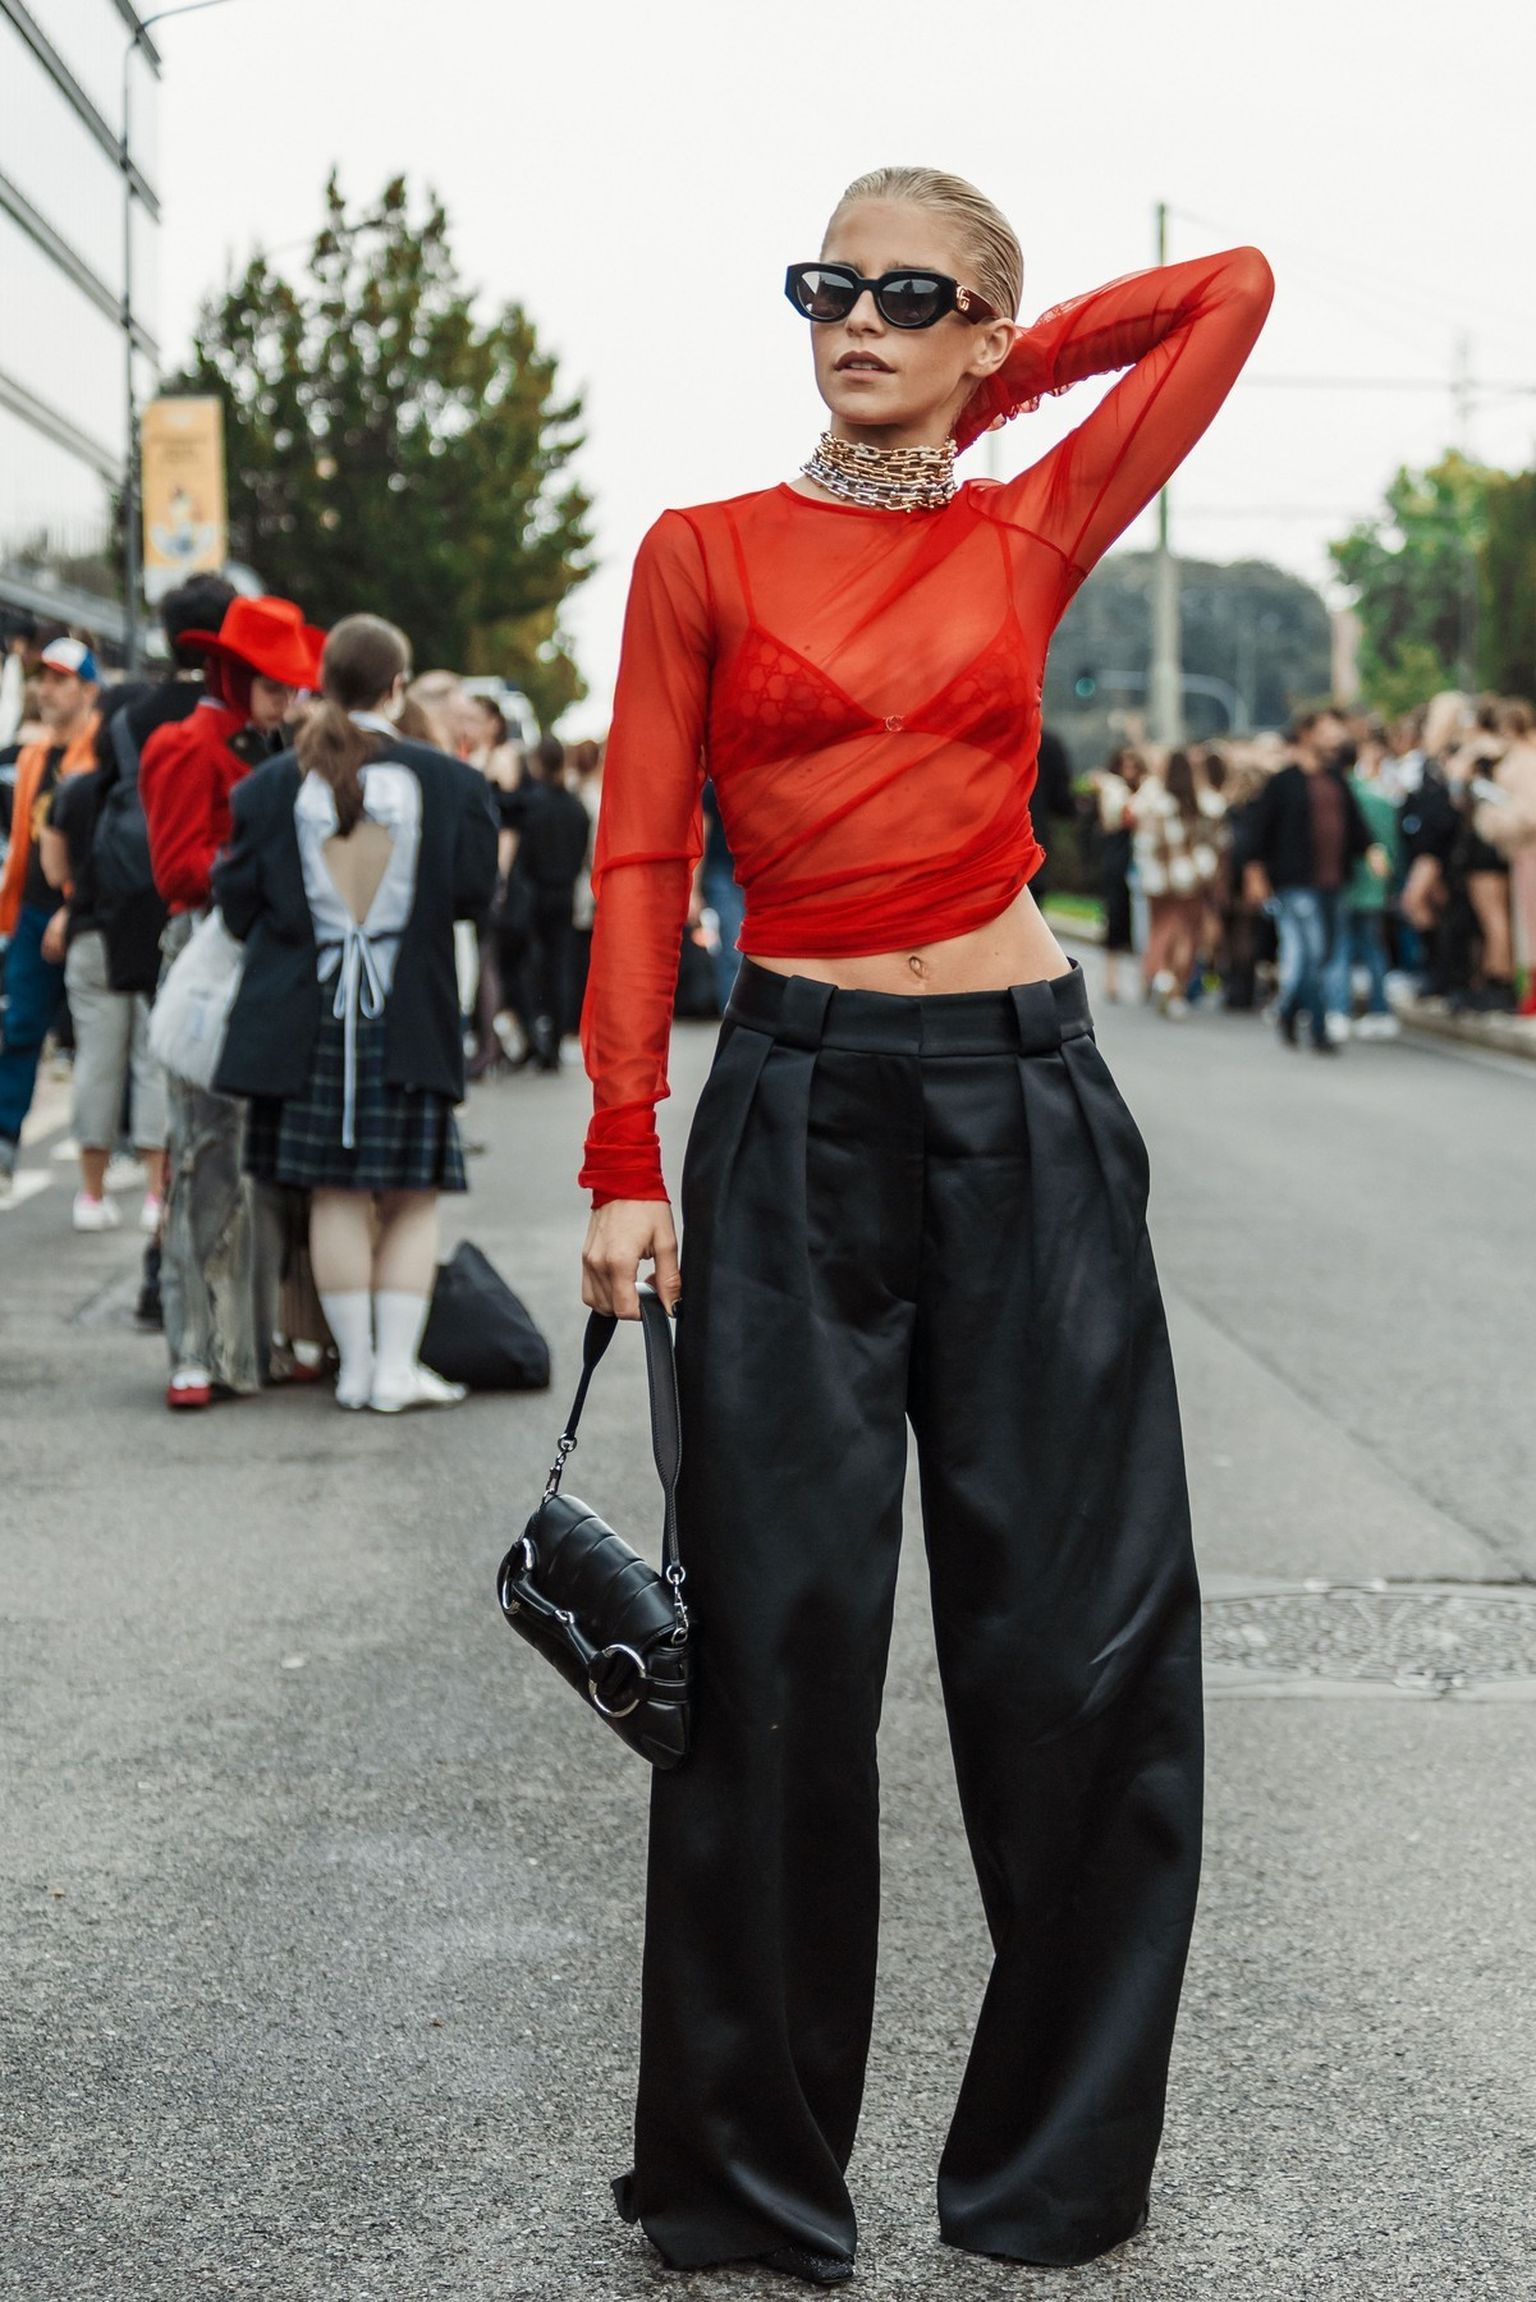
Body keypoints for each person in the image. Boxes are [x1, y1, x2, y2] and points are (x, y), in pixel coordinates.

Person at [578, 164, 1272, 2283]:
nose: (855, 321)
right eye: (829, 286)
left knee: (1083, 1640)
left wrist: (998, 378)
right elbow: (637, 856)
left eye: (907, 294)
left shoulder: (1025, 524)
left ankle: (1053, 2170)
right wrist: (621, 1149)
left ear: (978, 327)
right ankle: (747, 2178)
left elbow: (1231, 292)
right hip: (791, 1102)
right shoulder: (701, 551)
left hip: (1026, 1101)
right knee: (774, 1643)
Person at [212, 614, 499, 1414]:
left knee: (332, 1193)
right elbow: (475, 895)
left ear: (324, 684)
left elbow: (237, 905)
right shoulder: (452, 783)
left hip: (305, 1022)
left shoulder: (269, 786)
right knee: (412, 1196)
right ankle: (394, 1372)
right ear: (397, 686)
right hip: (409, 1017)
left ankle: (354, 1371)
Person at [140, 594, 324, 1408]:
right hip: (211, 955)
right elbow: (175, 870)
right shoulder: (186, 744)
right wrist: (266, 863)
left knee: (264, 1162)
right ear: (233, 674)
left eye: (293, 687)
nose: (288, 700)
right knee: (205, 1154)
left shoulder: (270, 746)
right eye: (275, 685)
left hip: (264, 955)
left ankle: (254, 1341)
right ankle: (195, 1347)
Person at [38, 688, 169, 1232]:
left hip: (92, 933)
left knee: (96, 1061)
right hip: (156, 935)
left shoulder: (76, 790)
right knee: (153, 1059)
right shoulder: (162, 788)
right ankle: (158, 1194)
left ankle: (91, 1195)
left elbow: (53, 871)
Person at [0, 636, 102, 1197]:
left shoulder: (102, 752)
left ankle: (111, 1146)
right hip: (33, 911)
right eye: (44, 678)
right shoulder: (33, 755)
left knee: (96, 1035)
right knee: (20, 1026)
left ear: (88, 689)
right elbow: (23, 841)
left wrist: (74, 905)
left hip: (85, 913)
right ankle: (4, 1140)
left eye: (62, 680)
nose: (47, 689)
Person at [1239, 707, 1387, 1053]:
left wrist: (1371, 850)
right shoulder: (1284, 782)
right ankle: (1319, 1029)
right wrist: (1254, 873)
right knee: (1313, 950)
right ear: (1307, 733)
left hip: (1333, 881)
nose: (1334, 737)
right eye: (1327, 730)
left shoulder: (1335, 778)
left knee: (1321, 955)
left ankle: (1289, 1010)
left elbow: (1355, 824)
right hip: (1296, 882)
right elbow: (1259, 832)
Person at [505, 732, 591, 1070]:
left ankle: (536, 1035)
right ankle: (552, 1041)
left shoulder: (531, 805)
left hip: (535, 893)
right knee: (559, 967)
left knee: (529, 966)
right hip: (564, 892)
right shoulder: (575, 808)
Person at [1323, 729, 1402, 1040]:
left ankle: (1339, 1010)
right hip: (1373, 884)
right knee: (1373, 948)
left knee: (1340, 948)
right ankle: (1380, 1010)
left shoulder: (1338, 797)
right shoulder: (1379, 797)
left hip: (1343, 882)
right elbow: (1392, 846)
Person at [1130, 748, 1221, 1016]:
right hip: (1190, 878)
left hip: (1158, 879)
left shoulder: (1153, 800)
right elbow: (1215, 838)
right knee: (1186, 934)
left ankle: (1159, 975)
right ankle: (1176, 986)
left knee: (1160, 928)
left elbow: (1141, 838)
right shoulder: (1201, 802)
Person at [1092, 743, 1141, 1001]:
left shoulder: (1145, 790)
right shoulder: (1112, 790)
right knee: (1115, 918)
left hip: (1141, 864)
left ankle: (1145, 978)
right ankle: (1111, 980)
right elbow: (1108, 824)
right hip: (1117, 861)